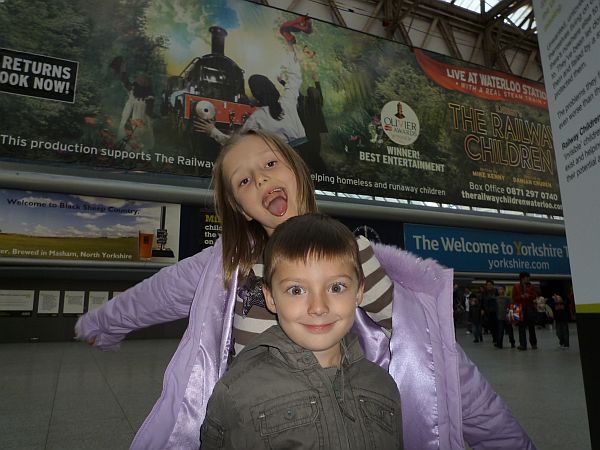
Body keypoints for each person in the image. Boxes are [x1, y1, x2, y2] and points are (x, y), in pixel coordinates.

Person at [75, 129, 535, 449]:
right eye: (245, 180)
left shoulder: (355, 255)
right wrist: (101, 323)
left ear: (295, 170)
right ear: (240, 207)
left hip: (346, 419)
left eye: (271, 163)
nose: (262, 180)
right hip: (256, 421)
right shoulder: (227, 265)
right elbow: (156, 294)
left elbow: (434, 358)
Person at [200, 214, 403, 449]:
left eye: (336, 287)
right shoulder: (238, 392)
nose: (318, 307)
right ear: (270, 298)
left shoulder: (383, 386)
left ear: (358, 292)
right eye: (296, 290)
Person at [196, 21, 308, 148]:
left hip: (284, 156)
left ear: (255, 94)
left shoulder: (258, 118)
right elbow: (295, 75)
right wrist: (290, 46)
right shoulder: (288, 101)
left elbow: (237, 144)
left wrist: (212, 131)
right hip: (306, 150)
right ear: (271, 87)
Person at [512, 272, 538, 350]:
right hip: (519, 308)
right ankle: (523, 345)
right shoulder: (516, 286)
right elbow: (514, 298)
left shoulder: (531, 286)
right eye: (526, 277)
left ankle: (533, 344)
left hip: (529, 308)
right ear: (522, 278)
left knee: (531, 327)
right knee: (521, 328)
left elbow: (535, 296)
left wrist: (529, 296)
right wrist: (521, 296)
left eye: (528, 277)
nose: (528, 279)